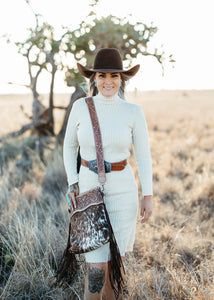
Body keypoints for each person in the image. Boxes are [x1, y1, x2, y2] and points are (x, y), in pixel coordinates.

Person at [63, 48, 153, 300]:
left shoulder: (133, 111)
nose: (108, 81)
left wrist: (148, 195)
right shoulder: (81, 107)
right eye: (102, 76)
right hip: (90, 192)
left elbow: (144, 155)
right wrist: (73, 182)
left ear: (122, 79)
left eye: (114, 76)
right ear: (93, 78)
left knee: (116, 267)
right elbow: (69, 146)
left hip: (124, 194)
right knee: (95, 269)